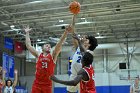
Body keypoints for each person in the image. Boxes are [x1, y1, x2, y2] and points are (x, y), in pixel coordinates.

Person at [23, 25, 71, 93]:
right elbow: (28, 45)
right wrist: (27, 33)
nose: (49, 46)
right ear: (42, 48)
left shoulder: (52, 55)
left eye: (49, 46)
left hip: (47, 84)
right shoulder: (38, 55)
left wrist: (66, 32)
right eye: (46, 45)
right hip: (37, 83)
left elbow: (59, 43)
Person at [67, 16, 98, 93]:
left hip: (82, 77)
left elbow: (85, 53)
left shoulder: (90, 53)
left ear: (90, 44)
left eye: (87, 39)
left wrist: (79, 41)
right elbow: (73, 33)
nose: (84, 39)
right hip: (74, 75)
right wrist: (73, 17)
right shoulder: (78, 47)